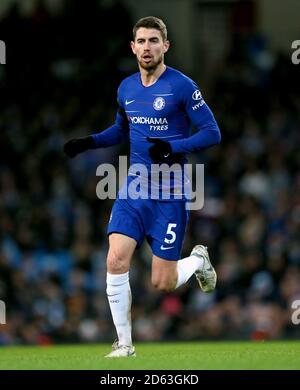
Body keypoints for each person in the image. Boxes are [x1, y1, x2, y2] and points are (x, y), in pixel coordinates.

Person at [64, 16, 221, 357]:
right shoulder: (126, 88)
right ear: (133, 47)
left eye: (154, 41)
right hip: (135, 187)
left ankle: (197, 259)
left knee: (162, 283)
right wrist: (88, 142)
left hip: (171, 191)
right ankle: (124, 344)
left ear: (166, 46)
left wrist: (174, 147)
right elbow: (121, 129)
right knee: (115, 259)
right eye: (142, 41)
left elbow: (212, 132)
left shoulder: (182, 86)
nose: (147, 47)